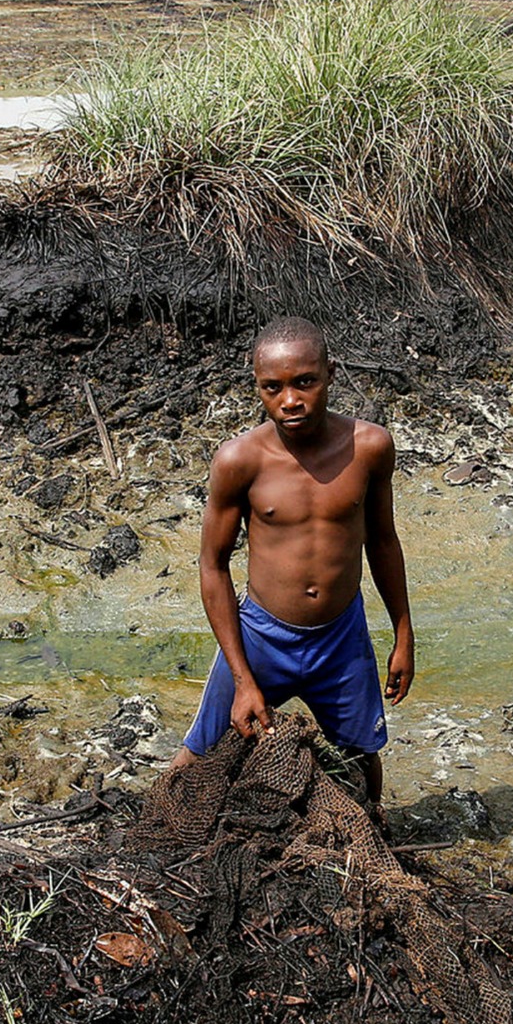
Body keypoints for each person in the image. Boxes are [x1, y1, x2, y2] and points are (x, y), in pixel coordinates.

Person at [172, 315, 414, 820]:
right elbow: (213, 566)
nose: (290, 400)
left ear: (330, 373)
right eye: (273, 387)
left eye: (305, 381)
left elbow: (384, 541)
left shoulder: (370, 447)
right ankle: (167, 828)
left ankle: (371, 836)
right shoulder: (239, 460)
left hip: (340, 637)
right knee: (196, 756)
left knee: (362, 756)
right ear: (257, 387)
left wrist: (403, 634)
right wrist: (242, 677)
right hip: (262, 635)